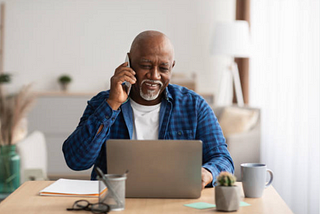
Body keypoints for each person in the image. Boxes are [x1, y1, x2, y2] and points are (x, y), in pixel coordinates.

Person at [62, 30, 234, 189]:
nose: (154, 75)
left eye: (163, 68)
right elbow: (76, 161)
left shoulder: (194, 106)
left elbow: (223, 159)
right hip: (115, 201)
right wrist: (112, 104)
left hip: (174, 201)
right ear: (128, 63)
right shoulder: (102, 103)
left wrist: (208, 172)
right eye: (146, 65)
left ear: (172, 67)